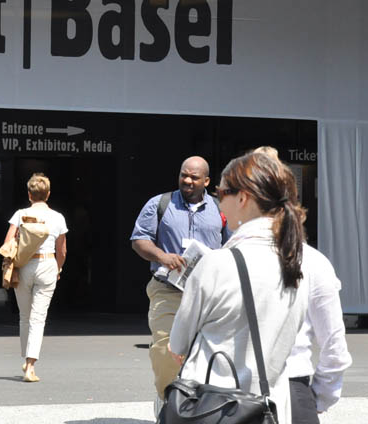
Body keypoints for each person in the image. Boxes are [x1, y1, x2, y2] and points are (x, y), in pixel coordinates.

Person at [168, 151, 308, 424]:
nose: (218, 201)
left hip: (213, 407)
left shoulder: (216, 264)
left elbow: (178, 342)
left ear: (242, 198)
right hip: (271, 409)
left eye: (221, 193)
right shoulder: (297, 262)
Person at [250, 147, 352, 423]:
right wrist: (319, 397)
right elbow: (334, 347)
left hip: (235, 392)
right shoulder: (314, 261)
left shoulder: (224, 260)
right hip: (293, 389)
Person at [129, 156, 228, 403]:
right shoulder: (160, 203)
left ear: (206, 181)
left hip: (209, 294)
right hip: (167, 290)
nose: (187, 180)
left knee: (207, 350)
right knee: (165, 349)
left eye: (194, 177)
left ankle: (198, 405)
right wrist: (162, 256)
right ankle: (167, 400)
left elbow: (232, 245)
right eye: (184, 175)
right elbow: (139, 240)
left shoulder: (221, 209)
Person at [3, 173, 67, 383]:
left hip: (23, 266)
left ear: (29, 194)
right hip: (47, 263)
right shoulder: (58, 217)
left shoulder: (20, 214)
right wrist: (58, 268)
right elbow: (62, 250)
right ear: (48, 194)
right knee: (39, 317)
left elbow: (8, 243)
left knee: (25, 316)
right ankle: (30, 366)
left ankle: (26, 359)